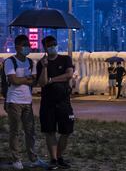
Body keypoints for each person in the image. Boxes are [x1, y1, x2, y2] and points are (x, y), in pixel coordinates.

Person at [4, 35, 46, 170]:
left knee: (30, 131)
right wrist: (26, 79)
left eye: (28, 44)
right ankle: (16, 159)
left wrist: (23, 79)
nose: (27, 47)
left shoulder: (30, 62)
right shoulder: (10, 62)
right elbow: (13, 80)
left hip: (27, 101)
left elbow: (34, 81)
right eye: (24, 44)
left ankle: (33, 158)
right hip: (13, 101)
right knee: (14, 131)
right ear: (17, 46)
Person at [37, 36, 75, 170]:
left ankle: (59, 156)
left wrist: (52, 80)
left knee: (66, 131)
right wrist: (45, 67)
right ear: (45, 48)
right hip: (47, 102)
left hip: (64, 102)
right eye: (49, 45)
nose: (52, 46)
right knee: (50, 131)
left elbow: (69, 74)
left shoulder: (65, 59)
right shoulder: (41, 63)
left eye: (54, 44)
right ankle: (54, 159)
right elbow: (42, 83)